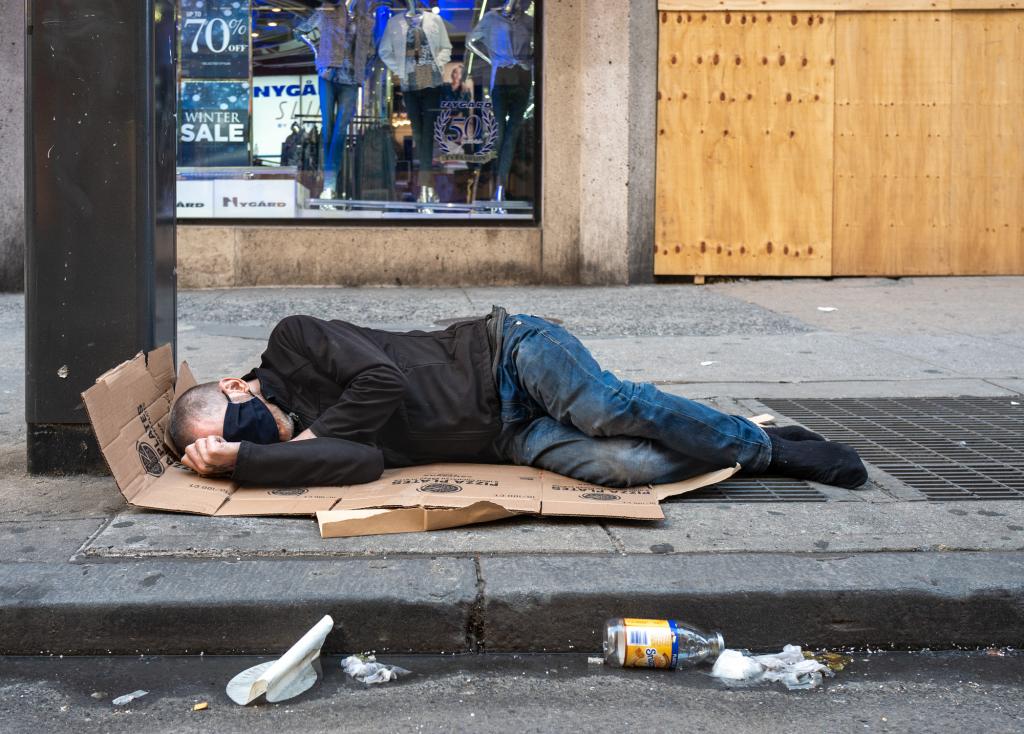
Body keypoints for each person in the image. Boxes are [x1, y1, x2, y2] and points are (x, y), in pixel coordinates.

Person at [170, 308, 868, 490]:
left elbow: (381, 383)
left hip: (505, 355)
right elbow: (359, 466)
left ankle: (768, 450)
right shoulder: (284, 452)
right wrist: (249, 464)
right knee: (626, 467)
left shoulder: (294, 341)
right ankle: (740, 432)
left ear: (237, 387)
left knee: (603, 408)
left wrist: (293, 445)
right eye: (238, 442)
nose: (254, 439)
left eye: (239, 426)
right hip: (502, 438)